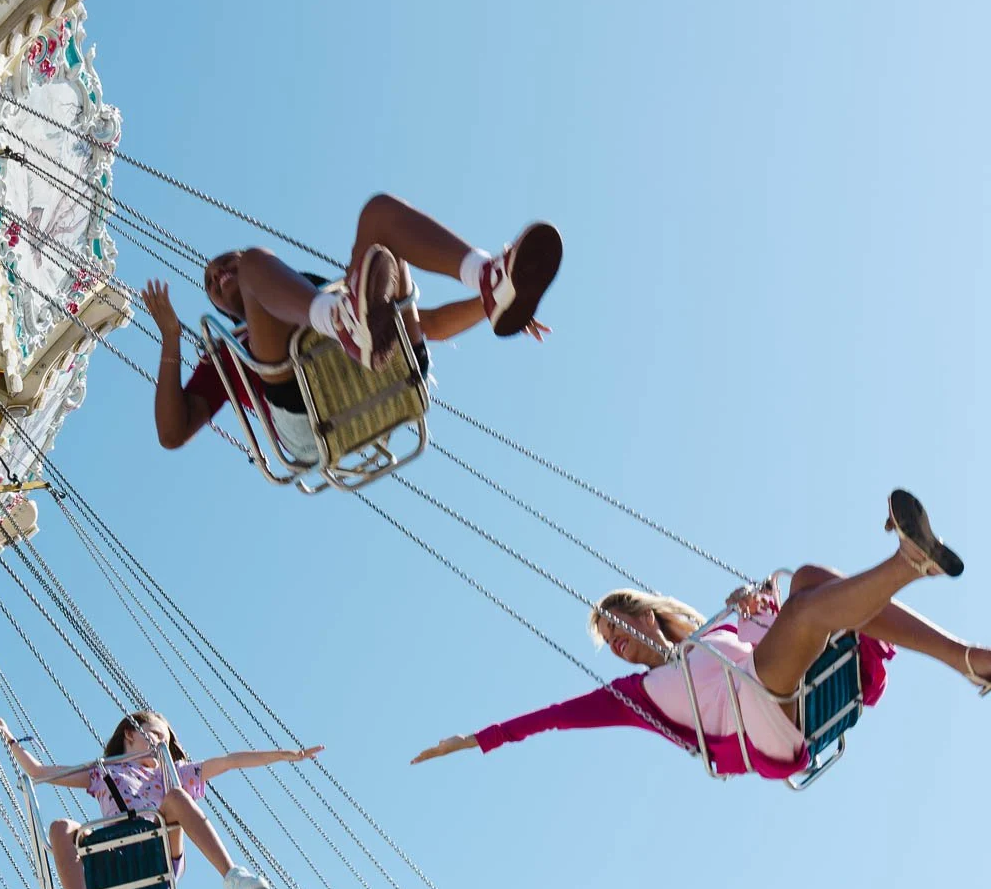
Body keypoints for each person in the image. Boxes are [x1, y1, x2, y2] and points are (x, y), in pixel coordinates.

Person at [412, 490, 976, 780]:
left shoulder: (719, 625)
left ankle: (968, 659)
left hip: (798, 676)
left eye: (617, 628)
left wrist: (759, 609)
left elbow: (783, 624)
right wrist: (478, 739)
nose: (616, 646)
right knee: (800, 619)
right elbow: (556, 714)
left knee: (803, 581)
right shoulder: (636, 697)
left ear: (643, 614)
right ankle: (908, 561)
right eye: (609, 643)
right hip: (766, 718)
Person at [142, 194, 561, 458]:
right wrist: (171, 339)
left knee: (378, 214)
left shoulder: (328, 289)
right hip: (307, 412)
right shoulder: (227, 354)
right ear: (218, 304)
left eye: (225, 265)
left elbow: (427, 323)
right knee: (258, 263)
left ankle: (489, 280)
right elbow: (172, 434)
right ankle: (340, 325)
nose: (219, 276)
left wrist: (490, 309)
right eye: (213, 284)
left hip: (389, 364)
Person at [0, 708, 322, 889]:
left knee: (175, 798)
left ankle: (232, 876)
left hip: (159, 848)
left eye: (166, 742)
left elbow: (230, 761)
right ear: (131, 731)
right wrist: (8, 737)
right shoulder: (102, 772)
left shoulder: (171, 772)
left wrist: (285, 755)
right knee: (59, 827)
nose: (164, 744)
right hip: (116, 853)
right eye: (157, 735)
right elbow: (41, 773)